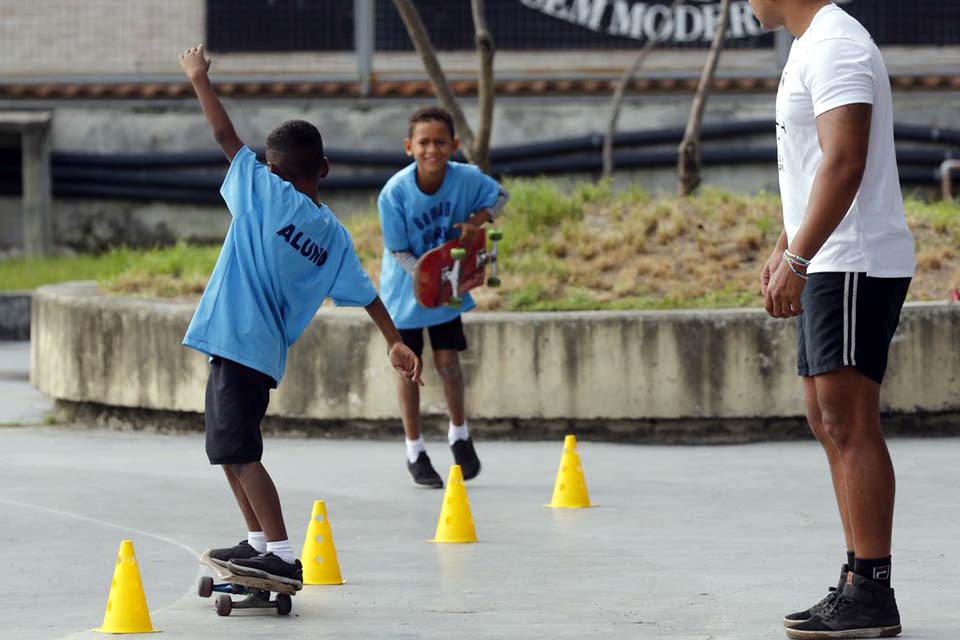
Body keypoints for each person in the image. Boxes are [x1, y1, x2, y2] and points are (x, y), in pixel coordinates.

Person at [177, 45, 422, 585]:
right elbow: (365, 293)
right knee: (229, 450)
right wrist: (395, 341)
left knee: (238, 453)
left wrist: (198, 77)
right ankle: (258, 542)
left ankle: (283, 553)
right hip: (262, 354)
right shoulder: (331, 234)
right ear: (325, 170)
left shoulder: (261, 192)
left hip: (236, 341)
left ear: (269, 168)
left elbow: (223, 137)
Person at [750, 2, 915, 637]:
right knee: (826, 419)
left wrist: (800, 253)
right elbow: (816, 169)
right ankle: (855, 581)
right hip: (830, 258)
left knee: (849, 421)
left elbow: (845, 162)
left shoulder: (837, 44)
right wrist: (784, 244)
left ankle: (873, 588)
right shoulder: (812, 43)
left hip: (854, 260)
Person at [377, 106, 509, 488]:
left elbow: (500, 196)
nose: (431, 149)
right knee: (410, 369)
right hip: (407, 294)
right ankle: (414, 448)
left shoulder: (466, 178)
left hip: (447, 290)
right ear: (408, 147)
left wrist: (476, 222)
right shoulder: (394, 194)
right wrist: (427, 274)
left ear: (454, 144)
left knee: (449, 361)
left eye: (439, 142)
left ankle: (459, 433)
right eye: (423, 142)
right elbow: (398, 250)